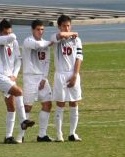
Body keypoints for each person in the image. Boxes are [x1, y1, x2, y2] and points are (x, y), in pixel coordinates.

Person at [20, 19, 72, 143]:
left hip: (41, 78)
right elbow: (38, 46)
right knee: (27, 107)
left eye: (42, 29)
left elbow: (47, 62)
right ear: (33, 30)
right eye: (38, 29)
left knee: (47, 104)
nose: (40, 32)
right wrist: (52, 41)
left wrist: (44, 78)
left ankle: (42, 135)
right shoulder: (28, 41)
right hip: (30, 77)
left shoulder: (46, 43)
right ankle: (20, 135)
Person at [0, 19, 35, 144]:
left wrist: (14, 75)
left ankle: (8, 137)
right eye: (6, 32)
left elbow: (18, 60)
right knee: (19, 92)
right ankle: (23, 121)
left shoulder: (13, 42)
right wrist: (11, 35)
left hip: (9, 78)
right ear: (0, 32)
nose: (9, 34)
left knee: (11, 107)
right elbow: (11, 38)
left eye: (10, 32)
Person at [52, 14, 83, 142]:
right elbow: (61, 36)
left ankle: (72, 133)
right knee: (60, 104)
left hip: (72, 73)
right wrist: (73, 33)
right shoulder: (55, 38)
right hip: (60, 74)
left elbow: (79, 57)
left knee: (74, 102)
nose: (66, 28)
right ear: (59, 27)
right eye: (64, 26)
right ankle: (59, 134)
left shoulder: (77, 40)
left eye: (68, 25)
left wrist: (75, 75)